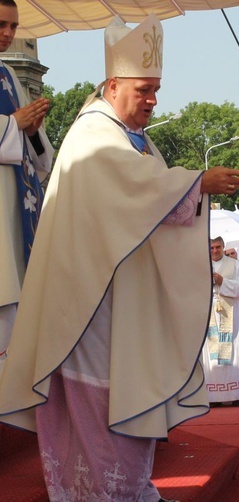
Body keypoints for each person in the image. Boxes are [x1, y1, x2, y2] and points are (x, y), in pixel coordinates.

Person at [0, 14, 239, 501]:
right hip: (88, 311)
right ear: (113, 84)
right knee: (102, 404)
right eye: (144, 89)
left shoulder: (128, 134)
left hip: (116, 306)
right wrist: (197, 182)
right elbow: (135, 189)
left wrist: (185, 189)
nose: (153, 101)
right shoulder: (96, 133)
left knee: (120, 401)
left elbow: (146, 197)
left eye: (157, 89)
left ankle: (123, 491)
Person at [0, 0, 54, 375]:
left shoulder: (9, 75)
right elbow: (12, 126)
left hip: (16, 204)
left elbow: (38, 153)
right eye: (1, 24)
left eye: (13, 26)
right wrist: (12, 124)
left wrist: (32, 131)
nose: (7, 33)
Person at [202, 236, 239, 406]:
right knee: (212, 355)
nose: (215, 251)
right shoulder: (201, 264)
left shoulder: (234, 265)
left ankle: (237, 394)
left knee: (235, 352)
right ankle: (213, 396)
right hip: (209, 312)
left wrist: (223, 282)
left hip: (231, 314)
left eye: (218, 247)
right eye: (211, 248)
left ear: (223, 247)